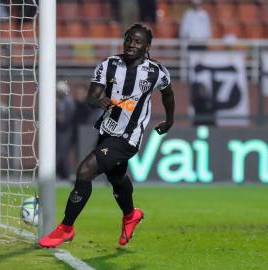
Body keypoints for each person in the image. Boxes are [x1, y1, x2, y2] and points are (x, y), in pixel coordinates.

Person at [38, 23, 175, 248]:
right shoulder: (109, 64)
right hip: (107, 131)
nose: (131, 44)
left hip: (128, 138)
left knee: (84, 171)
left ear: (147, 46)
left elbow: (168, 94)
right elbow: (92, 96)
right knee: (116, 178)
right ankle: (131, 215)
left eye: (138, 41)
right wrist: (98, 100)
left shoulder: (155, 71)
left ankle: (66, 228)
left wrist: (169, 120)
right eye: (129, 39)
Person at [56, 80, 76, 180]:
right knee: (59, 152)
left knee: (64, 153)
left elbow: (67, 118)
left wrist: (61, 117)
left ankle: (66, 173)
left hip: (65, 130)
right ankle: (61, 173)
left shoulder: (68, 101)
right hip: (59, 130)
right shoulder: (60, 101)